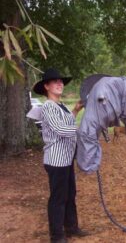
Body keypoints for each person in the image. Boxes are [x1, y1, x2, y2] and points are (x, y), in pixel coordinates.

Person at [33, 68, 88, 243]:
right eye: (55, 81)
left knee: (70, 194)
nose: (59, 84)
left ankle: (71, 228)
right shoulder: (48, 106)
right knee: (58, 198)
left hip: (66, 158)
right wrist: (84, 130)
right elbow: (61, 130)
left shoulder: (60, 106)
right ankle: (56, 236)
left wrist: (76, 110)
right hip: (56, 160)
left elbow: (67, 123)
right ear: (46, 86)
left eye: (61, 81)